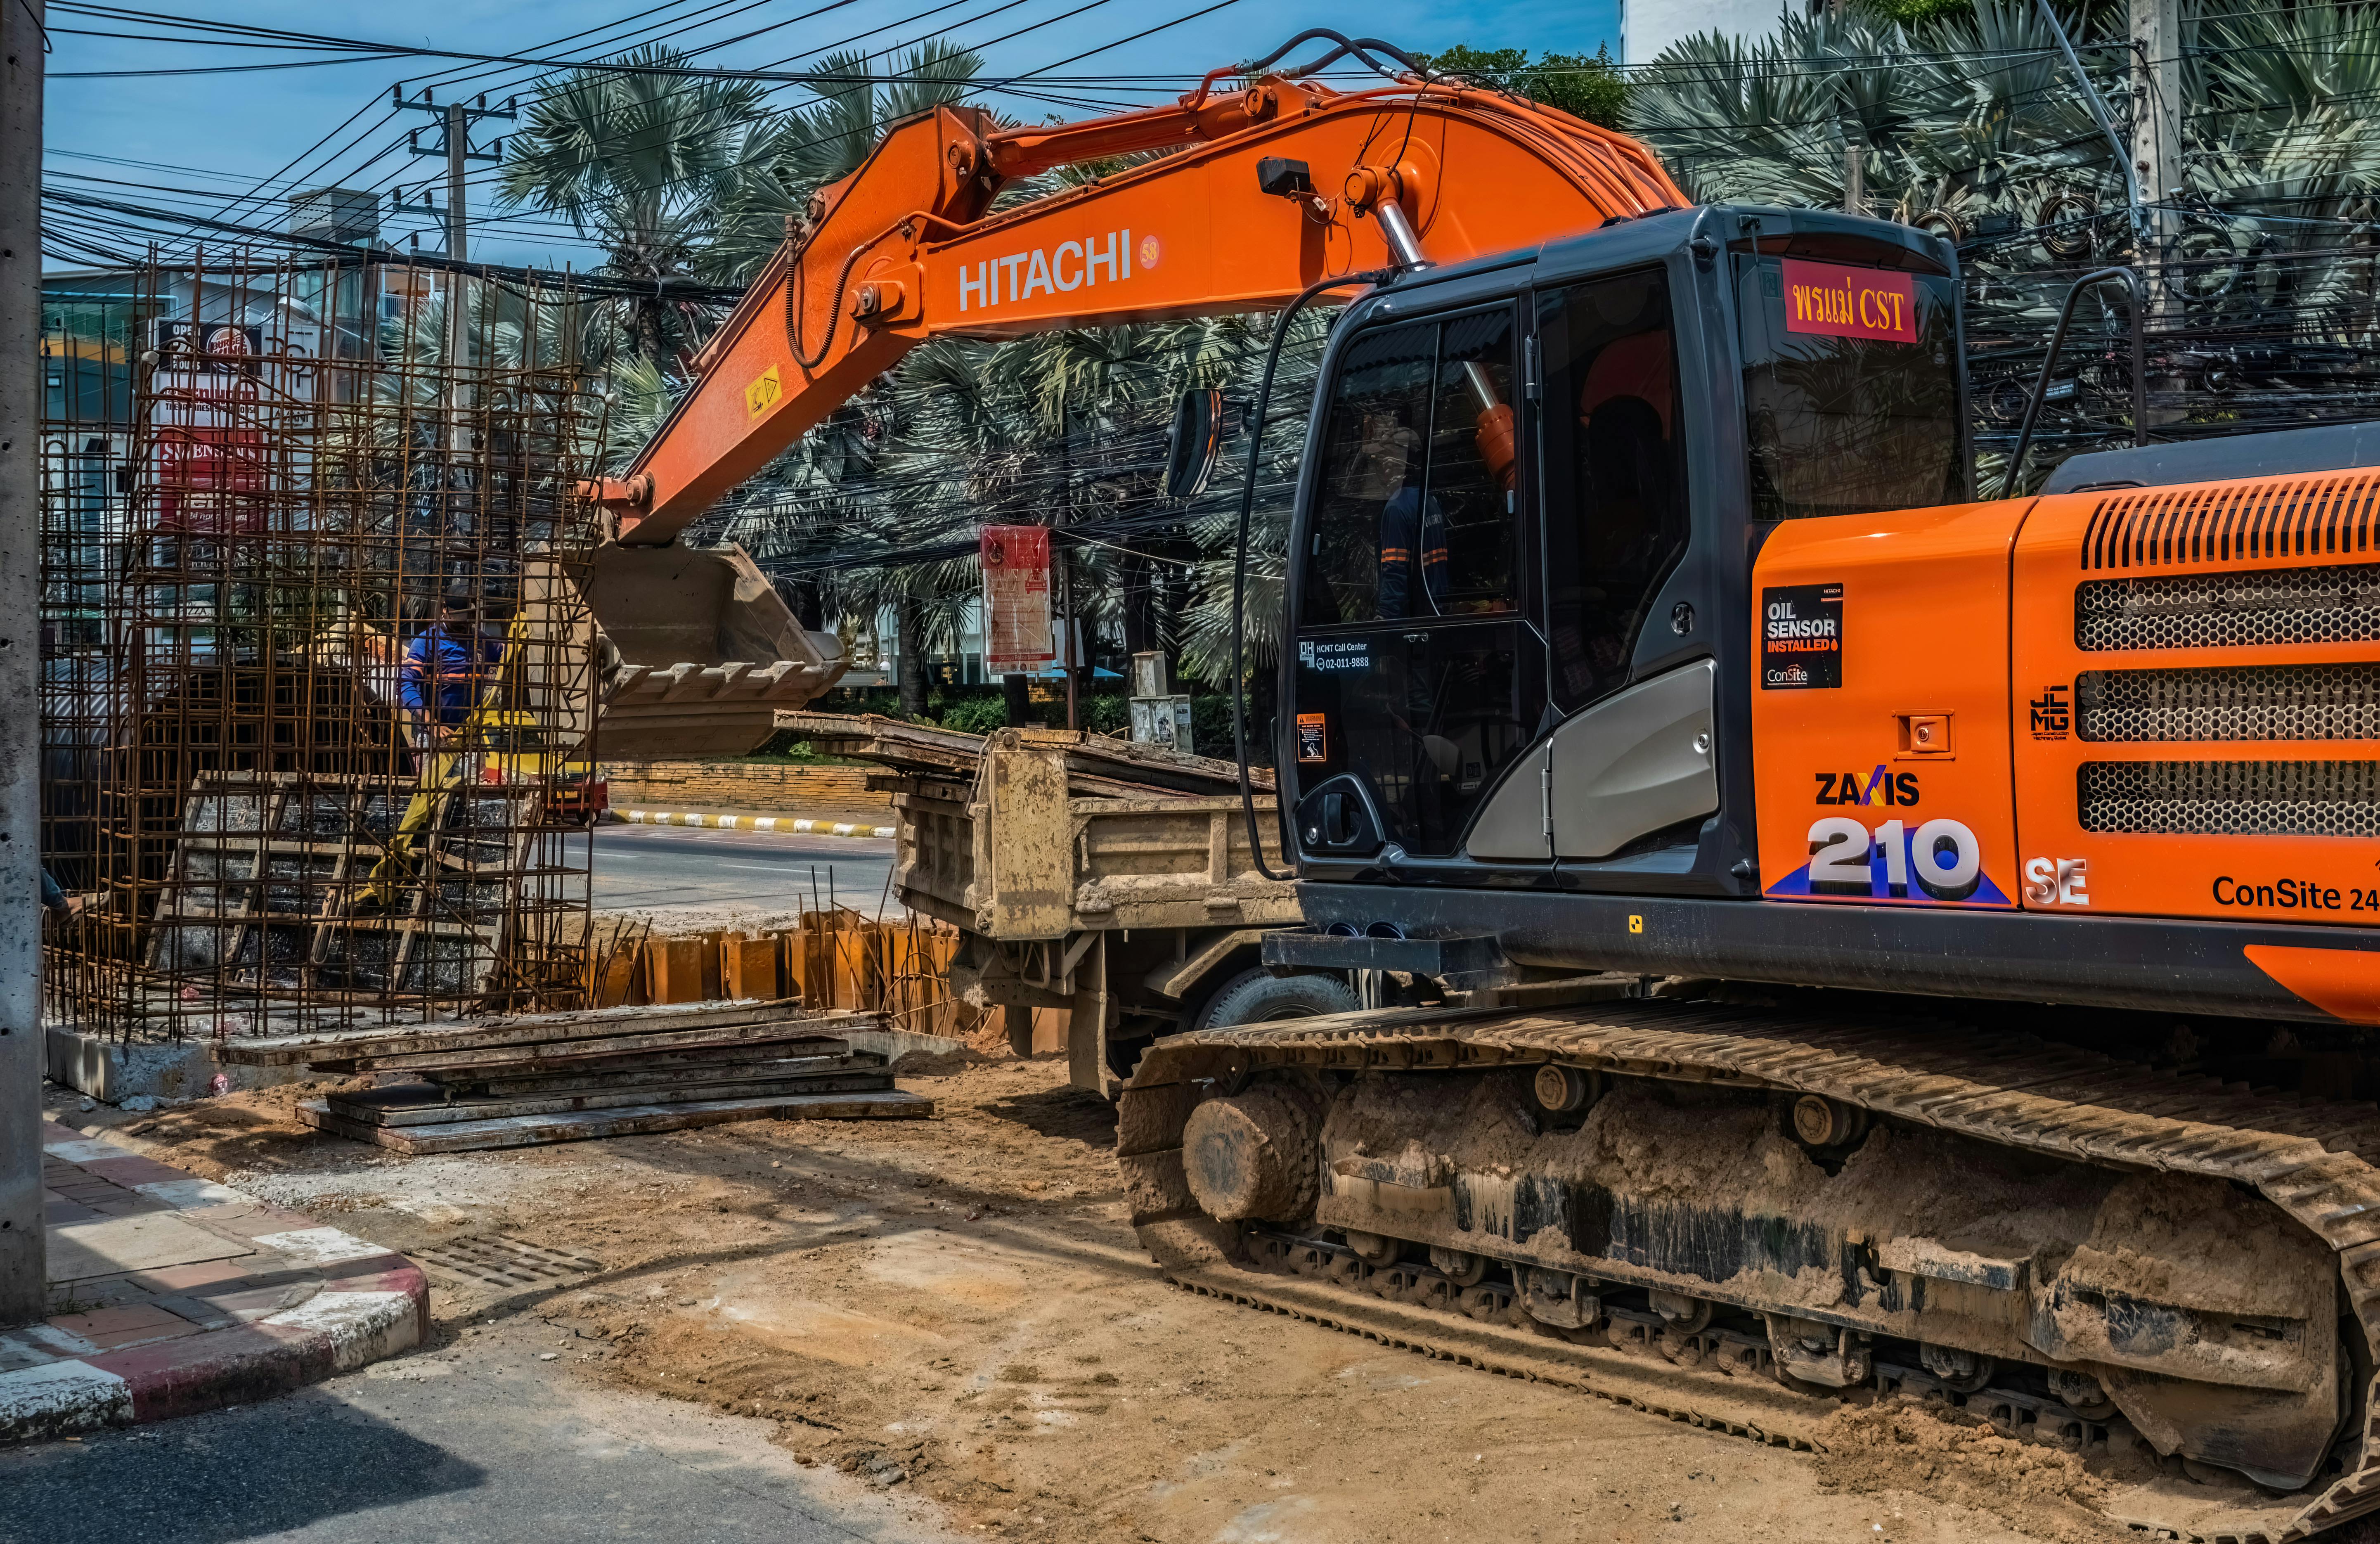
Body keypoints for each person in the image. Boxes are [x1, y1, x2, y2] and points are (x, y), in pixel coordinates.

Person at [362, 586, 509, 909]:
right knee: (429, 803)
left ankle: (456, 873)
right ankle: (417, 871)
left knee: (464, 805)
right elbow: (406, 684)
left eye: (469, 618)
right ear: (444, 612)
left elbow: (507, 655)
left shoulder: (483, 641)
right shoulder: (427, 643)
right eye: (459, 619)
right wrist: (429, 722)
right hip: (437, 738)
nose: (464, 625)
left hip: (469, 738)